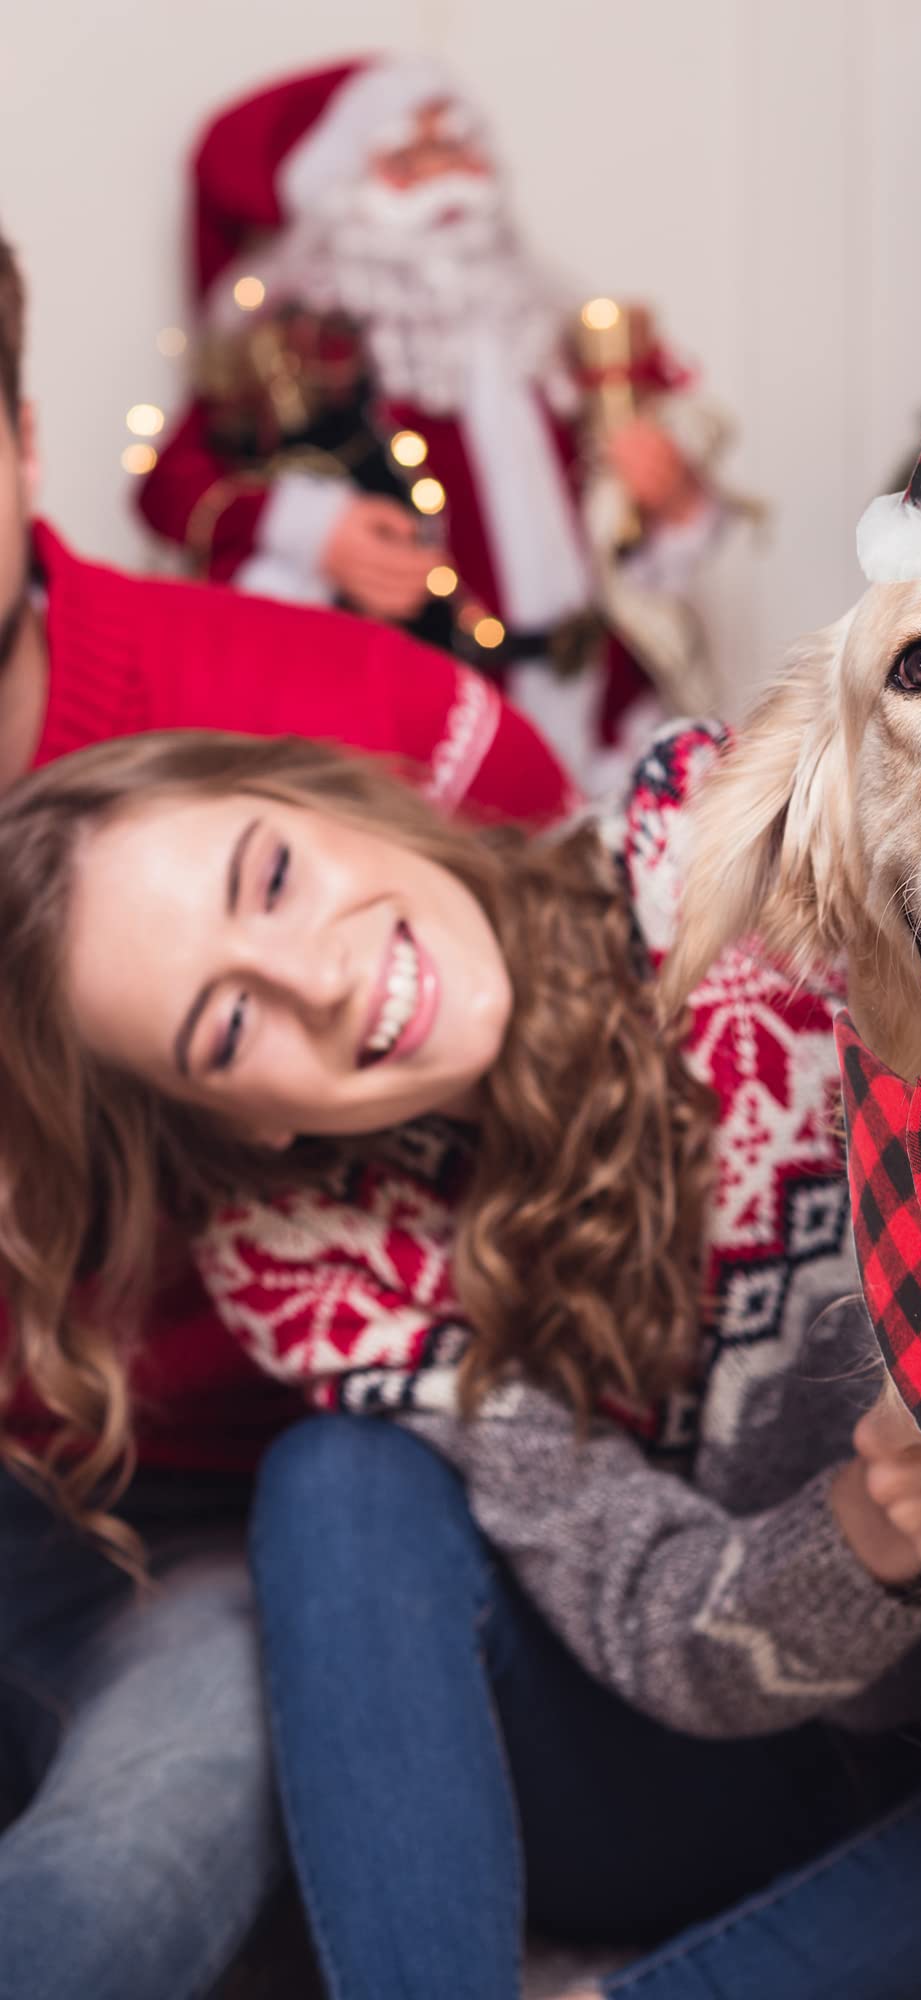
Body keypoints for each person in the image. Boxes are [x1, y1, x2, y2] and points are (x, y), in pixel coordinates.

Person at [0, 724, 921, 1999]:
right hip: (697, 1763)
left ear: (341, 801)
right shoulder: (312, 1257)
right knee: (336, 1480)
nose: (324, 978)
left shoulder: (718, 840)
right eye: (232, 1023)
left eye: (276, 876)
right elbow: (655, 1612)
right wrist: (860, 1531)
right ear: (240, 1116)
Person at [0, 220, 574, 2000]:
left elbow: (601, 1092)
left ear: (19, 440)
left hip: (265, 1514)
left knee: (130, 1849)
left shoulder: (352, 722)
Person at [138, 57, 739, 787]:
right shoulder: (298, 353)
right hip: (430, 731)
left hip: (601, 705)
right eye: (407, 161)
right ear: (337, 196)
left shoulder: (545, 328)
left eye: (457, 148)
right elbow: (170, 488)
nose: (446, 178)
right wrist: (313, 529)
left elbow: (638, 513)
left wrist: (668, 495)